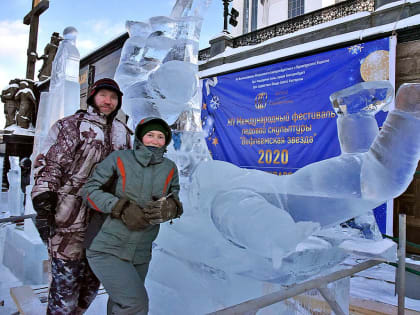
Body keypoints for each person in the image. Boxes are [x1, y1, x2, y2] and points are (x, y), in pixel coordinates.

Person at [31, 78, 132, 315]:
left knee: (90, 288)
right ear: (92, 97)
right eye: (103, 95)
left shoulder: (124, 133)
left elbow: (133, 173)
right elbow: (50, 163)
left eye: (114, 97)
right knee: (64, 292)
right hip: (68, 221)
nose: (108, 101)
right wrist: (44, 201)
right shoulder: (71, 126)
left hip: (104, 223)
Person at [82, 117, 183, 314]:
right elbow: (88, 191)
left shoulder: (169, 168)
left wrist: (172, 208)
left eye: (160, 136)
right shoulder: (120, 158)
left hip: (141, 252)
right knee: (135, 304)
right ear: (139, 137)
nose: (155, 140)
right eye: (150, 135)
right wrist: (121, 206)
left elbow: (175, 199)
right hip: (107, 247)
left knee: (120, 304)